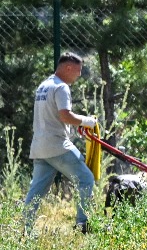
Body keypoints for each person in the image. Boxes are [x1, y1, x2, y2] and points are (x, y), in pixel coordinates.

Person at [23, 53, 98, 234]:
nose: (79, 75)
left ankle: (26, 228)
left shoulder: (43, 86)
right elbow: (65, 115)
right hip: (57, 146)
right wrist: (87, 121)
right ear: (68, 68)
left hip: (40, 146)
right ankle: (83, 224)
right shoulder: (61, 87)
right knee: (86, 179)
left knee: (37, 190)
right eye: (78, 71)